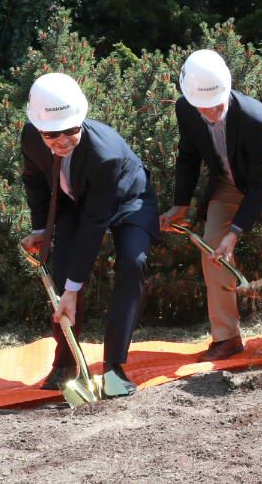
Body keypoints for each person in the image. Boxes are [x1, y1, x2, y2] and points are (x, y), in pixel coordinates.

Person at [160, 50, 262, 362]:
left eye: (219, 102)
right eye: (205, 106)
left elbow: (261, 185)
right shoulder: (185, 109)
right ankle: (226, 337)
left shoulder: (257, 118)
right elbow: (188, 157)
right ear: (190, 99)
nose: (213, 110)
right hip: (230, 183)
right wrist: (180, 205)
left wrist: (235, 235)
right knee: (211, 246)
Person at [20, 73, 160, 396]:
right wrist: (41, 230)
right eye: (53, 133)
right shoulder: (30, 138)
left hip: (128, 199)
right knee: (62, 270)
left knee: (132, 260)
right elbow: (35, 183)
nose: (64, 139)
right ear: (39, 129)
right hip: (73, 200)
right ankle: (66, 362)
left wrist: (72, 289)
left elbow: (93, 226)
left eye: (72, 129)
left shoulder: (105, 154)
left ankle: (114, 368)